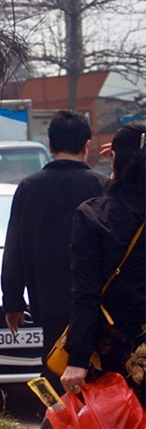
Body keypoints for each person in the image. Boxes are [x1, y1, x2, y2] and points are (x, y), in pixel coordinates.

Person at [0, 110, 107, 429]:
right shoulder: (100, 187)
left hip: (49, 301)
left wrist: (12, 300)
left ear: (49, 145)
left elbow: (15, 246)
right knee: (96, 374)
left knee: (54, 367)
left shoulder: (29, 188)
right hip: (98, 304)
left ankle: (55, 423)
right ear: (87, 146)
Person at [61, 121, 146, 407]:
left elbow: (86, 293)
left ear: (115, 160)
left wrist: (77, 359)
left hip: (115, 353)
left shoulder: (94, 216)